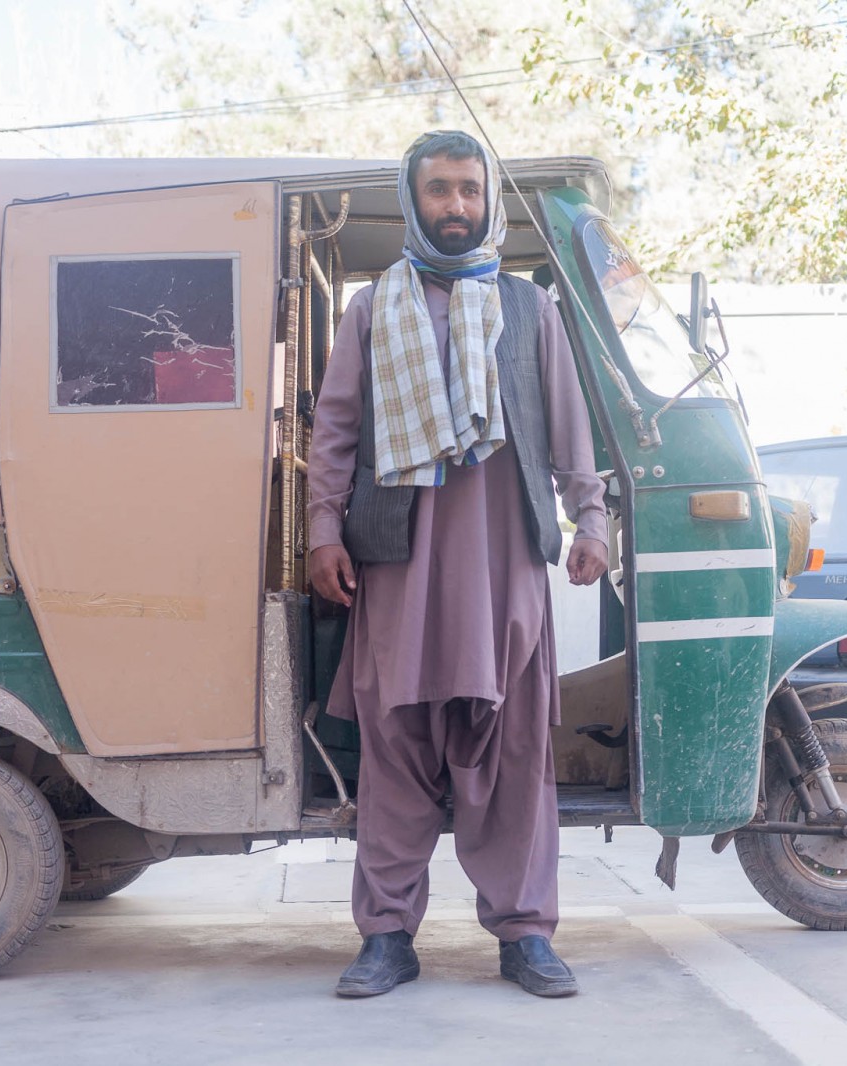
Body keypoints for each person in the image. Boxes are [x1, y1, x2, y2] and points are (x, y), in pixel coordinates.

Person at [307, 130, 609, 999]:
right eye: (439, 190)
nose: (456, 207)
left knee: (512, 754)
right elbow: (335, 434)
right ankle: (388, 937)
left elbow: (567, 424)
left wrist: (589, 516)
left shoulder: (529, 308)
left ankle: (524, 935)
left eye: (469, 191)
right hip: (398, 564)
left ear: (489, 200)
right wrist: (324, 531)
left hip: (503, 565)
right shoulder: (373, 310)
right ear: (415, 199)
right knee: (395, 752)